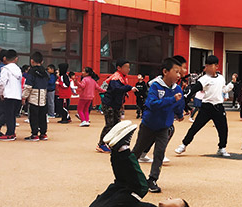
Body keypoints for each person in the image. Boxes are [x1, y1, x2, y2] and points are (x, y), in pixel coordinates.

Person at [61, 120, 189, 207]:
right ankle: (116, 150)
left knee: (140, 187)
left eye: (173, 199)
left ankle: (123, 149)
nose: (169, 197)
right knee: (122, 184)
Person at [132, 58, 184, 194]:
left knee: (159, 153)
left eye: (180, 72)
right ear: (165, 72)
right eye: (176, 71)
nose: (179, 75)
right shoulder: (155, 86)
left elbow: (179, 104)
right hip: (148, 125)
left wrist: (180, 114)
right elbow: (152, 104)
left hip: (164, 127)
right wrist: (172, 99)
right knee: (137, 151)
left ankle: (152, 179)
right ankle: (127, 175)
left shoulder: (177, 88)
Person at [174, 54, 233, 158]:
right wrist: (185, 100)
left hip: (218, 107)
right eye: (207, 66)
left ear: (216, 66)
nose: (208, 68)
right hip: (206, 107)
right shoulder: (204, 79)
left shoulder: (221, 78)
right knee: (195, 127)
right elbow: (194, 89)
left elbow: (223, 90)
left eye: (211, 66)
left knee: (223, 129)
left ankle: (222, 148)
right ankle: (183, 145)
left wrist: (231, 85)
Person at [97, 60, 132, 153]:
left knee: (117, 124)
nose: (128, 69)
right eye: (126, 67)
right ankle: (101, 144)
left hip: (116, 104)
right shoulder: (115, 78)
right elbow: (116, 89)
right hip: (109, 104)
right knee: (110, 124)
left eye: (129, 67)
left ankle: (114, 143)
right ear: (119, 68)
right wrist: (129, 88)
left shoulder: (123, 78)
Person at [22, 51, 50, 141]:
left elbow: (28, 86)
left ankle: (34, 134)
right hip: (43, 96)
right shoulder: (45, 72)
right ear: (42, 61)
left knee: (33, 116)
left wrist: (24, 97)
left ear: (32, 61)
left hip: (34, 96)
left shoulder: (32, 72)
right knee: (43, 116)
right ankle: (43, 133)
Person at [0, 49, 23, 141]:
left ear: (5, 58)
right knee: (12, 115)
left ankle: (10, 133)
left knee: (8, 115)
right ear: (16, 59)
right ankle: (12, 132)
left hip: (9, 94)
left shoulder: (5, 69)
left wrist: (0, 93)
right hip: (17, 95)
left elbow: (2, 82)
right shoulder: (18, 69)